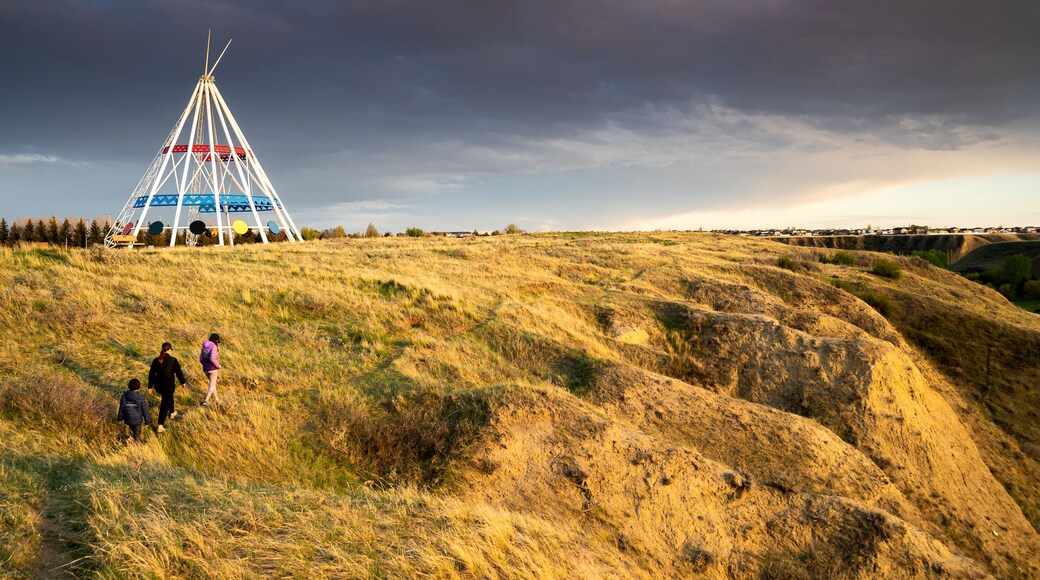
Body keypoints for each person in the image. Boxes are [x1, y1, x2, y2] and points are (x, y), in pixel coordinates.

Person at [148, 342, 186, 433]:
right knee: (165, 404)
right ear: (169, 350)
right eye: (171, 350)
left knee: (168, 397)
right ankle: (160, 425)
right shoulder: (173, 360)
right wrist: (182, 382)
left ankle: (172, 413)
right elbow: (179, 372)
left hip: (158, 386)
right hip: (168, 386)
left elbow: (151, 374)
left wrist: (150, 386)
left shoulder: (156, 360)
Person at [199, 333, 221, 407]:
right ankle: (206, 400)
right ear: (216, 340)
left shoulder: (204, 346)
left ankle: (217, 399)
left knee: (212, 384)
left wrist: (204, 364)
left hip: (205, 368)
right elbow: (212, 358)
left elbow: (201, 359)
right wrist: (218, 366)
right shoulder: (214, 346)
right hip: (213, 368)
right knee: (212, 385)